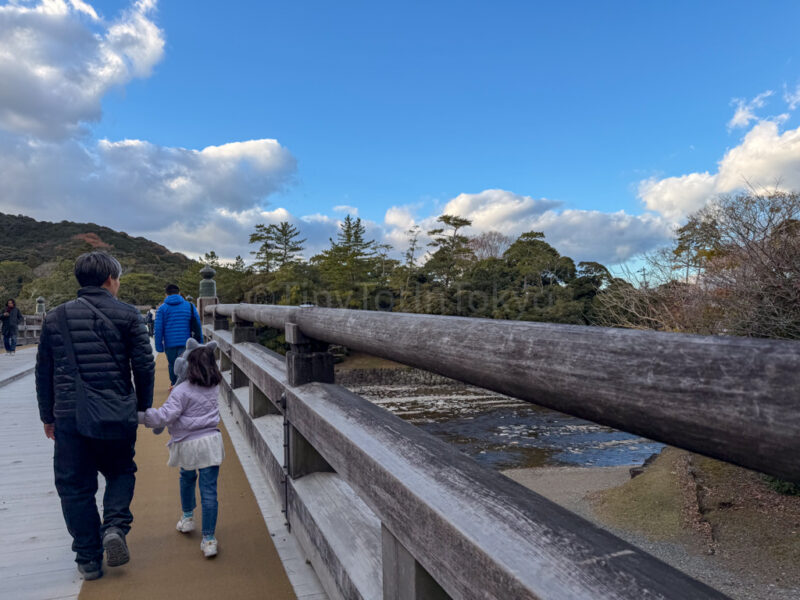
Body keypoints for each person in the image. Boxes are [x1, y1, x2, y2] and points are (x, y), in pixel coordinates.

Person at [35, 252, 155, 581]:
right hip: (116, 413)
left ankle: (88, 559)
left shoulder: (55, 318)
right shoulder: (129, 315)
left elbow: (43, 370)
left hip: (70, 417)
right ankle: (114, 526)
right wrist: (142, 408)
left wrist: (48, 416)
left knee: (75, 486)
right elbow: (144, 365)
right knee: (120, 471)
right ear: (109, 280)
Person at [139, 339, 224, 558]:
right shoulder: (214, 386)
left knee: (186, 478)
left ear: (186, 366)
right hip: (211, 443)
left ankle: (187, 518)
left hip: (188, 445)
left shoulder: (181, 391)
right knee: (209, 492)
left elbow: (165, 416)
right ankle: (209, 539)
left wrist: (141, 417)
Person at [154, 284, 203, 385]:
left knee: (173, 365)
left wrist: (159, 346)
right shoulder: (190, 306)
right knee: (186, 365)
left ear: (166, 294)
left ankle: (174, 385)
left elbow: (158, 329)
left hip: (170, 344)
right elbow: (198, 326)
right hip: (186, 343)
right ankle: (186, 386)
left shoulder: (162, 309)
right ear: (179, 293)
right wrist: (200, 343)